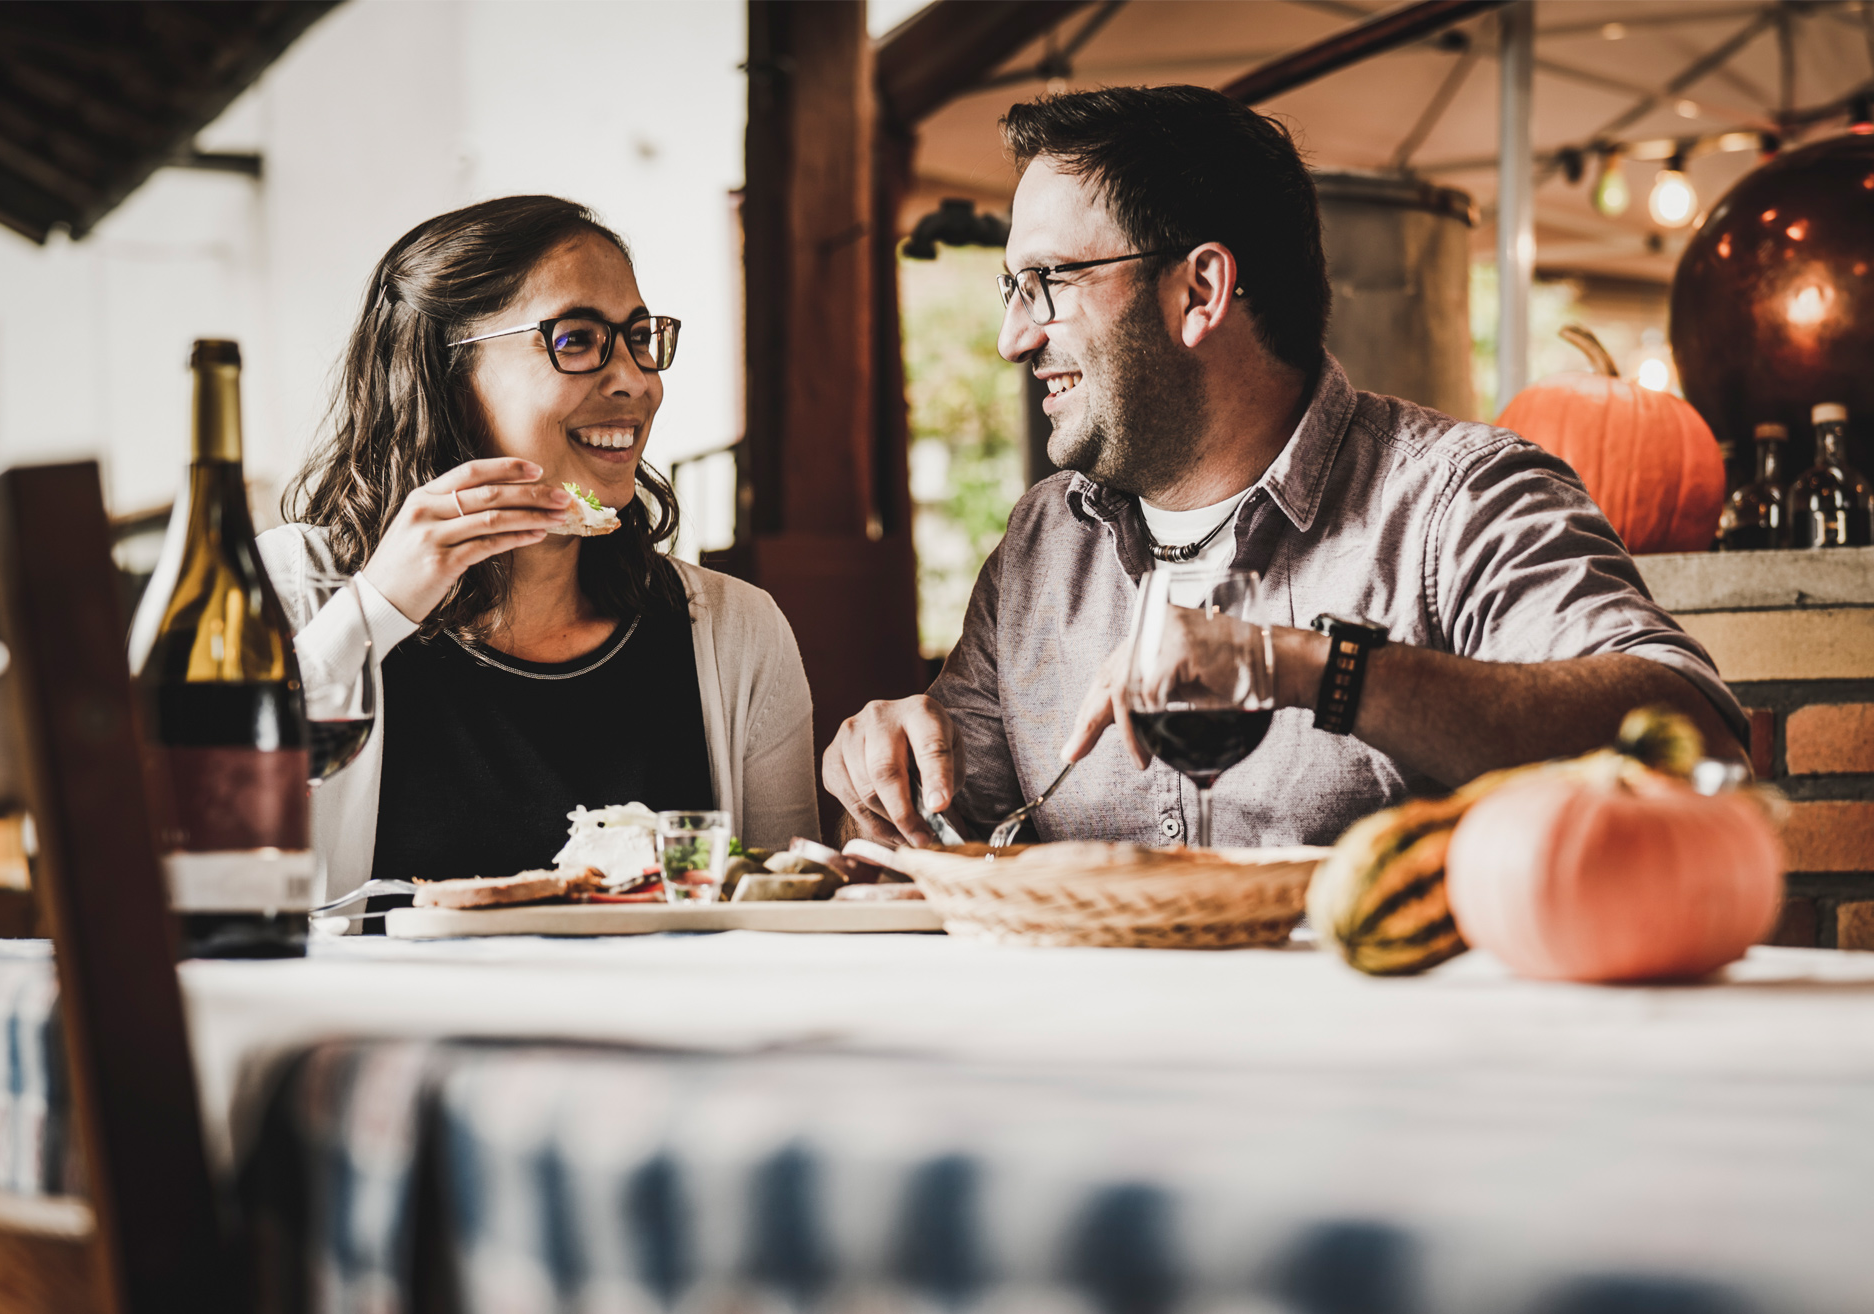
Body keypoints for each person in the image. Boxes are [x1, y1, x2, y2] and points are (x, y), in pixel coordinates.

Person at [825, 86, 1746, 850]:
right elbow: (949, 833)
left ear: (1201, 290)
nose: (1012, 337)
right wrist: (888, 774)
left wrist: (1308, 669)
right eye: (1010, 288)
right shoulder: (1044, 544)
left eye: (1048, 283)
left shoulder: (1458, 499)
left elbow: (1696, 743)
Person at [263, 195, 817, 909]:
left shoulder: (736, 631)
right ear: (444, 375)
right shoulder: (290, 589)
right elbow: (184, 842)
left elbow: (789, 918)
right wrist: (373, 613)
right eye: (578, 338)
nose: (636, 380)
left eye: (639, 336)